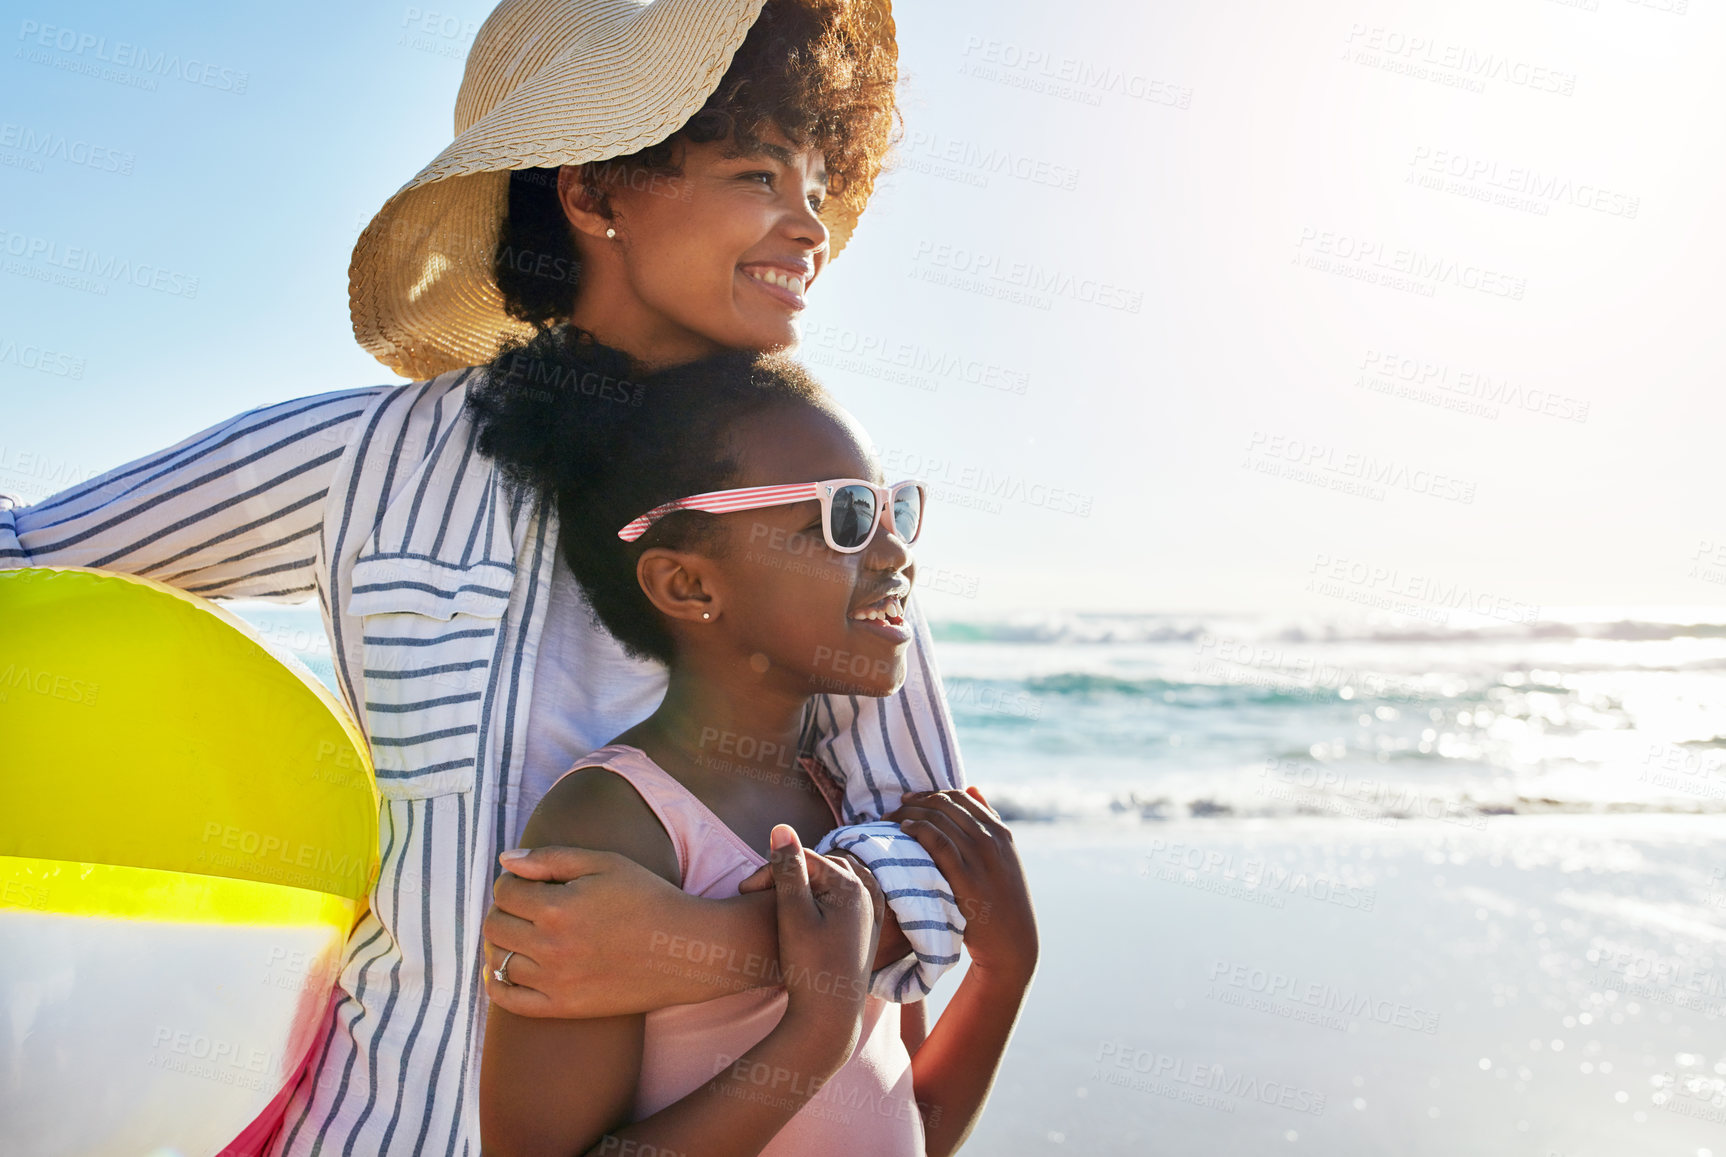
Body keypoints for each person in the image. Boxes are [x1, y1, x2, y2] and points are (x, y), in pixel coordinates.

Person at [0, 1, 972, 1152]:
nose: (809, 224)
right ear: (595, 191)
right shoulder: (363, 457)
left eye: (819, 180)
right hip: (377, 1126)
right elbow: (29, 555)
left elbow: (939, 853)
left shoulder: (817, 502)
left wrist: (706, 941)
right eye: (761, 173)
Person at [476, 343, 1037, 1157]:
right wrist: (812, 1037)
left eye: (894, 511)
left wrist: (1001, 974)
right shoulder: (618, 826)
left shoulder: (854, 805)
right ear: (690, 585)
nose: (893, 554)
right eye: (842, 518)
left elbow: (901, 1127)